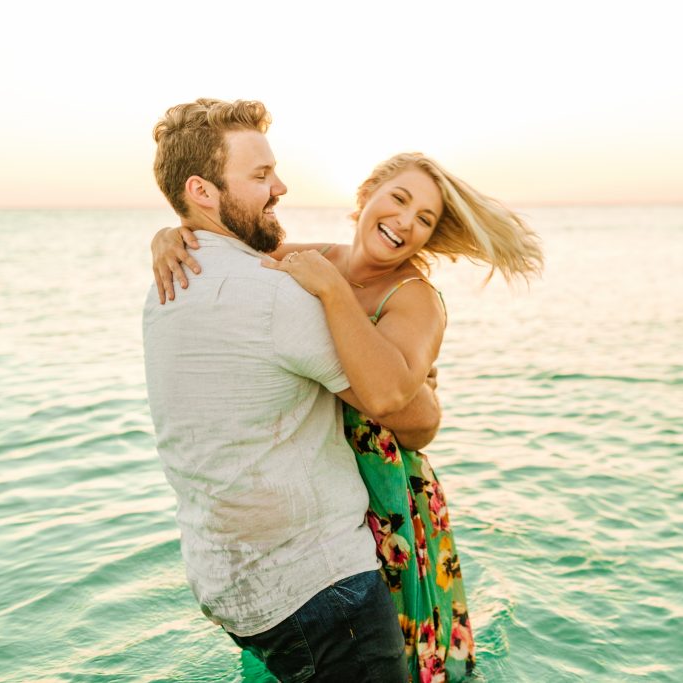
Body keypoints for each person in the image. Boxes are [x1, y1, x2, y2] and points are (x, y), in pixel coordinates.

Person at [152, 149, 544, 680]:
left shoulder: (415, 297)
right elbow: (228, 248)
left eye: (424, 219)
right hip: (313, 491)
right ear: (366, 196)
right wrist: (171, 236)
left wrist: (333, 291)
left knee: (391, 652)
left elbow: (391, 399)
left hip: (384, 494)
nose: (406, 222)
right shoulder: (307, 256)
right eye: (399, 199)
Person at [143, 98, 446, 682]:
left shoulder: (165, 286)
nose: (279, 186)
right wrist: (421, 390)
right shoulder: (285, 291)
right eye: (260, 175)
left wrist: (172, 231)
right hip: (320, 588)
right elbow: (405, 412)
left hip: (226, 579)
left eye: (425, 217)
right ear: (203, 192)